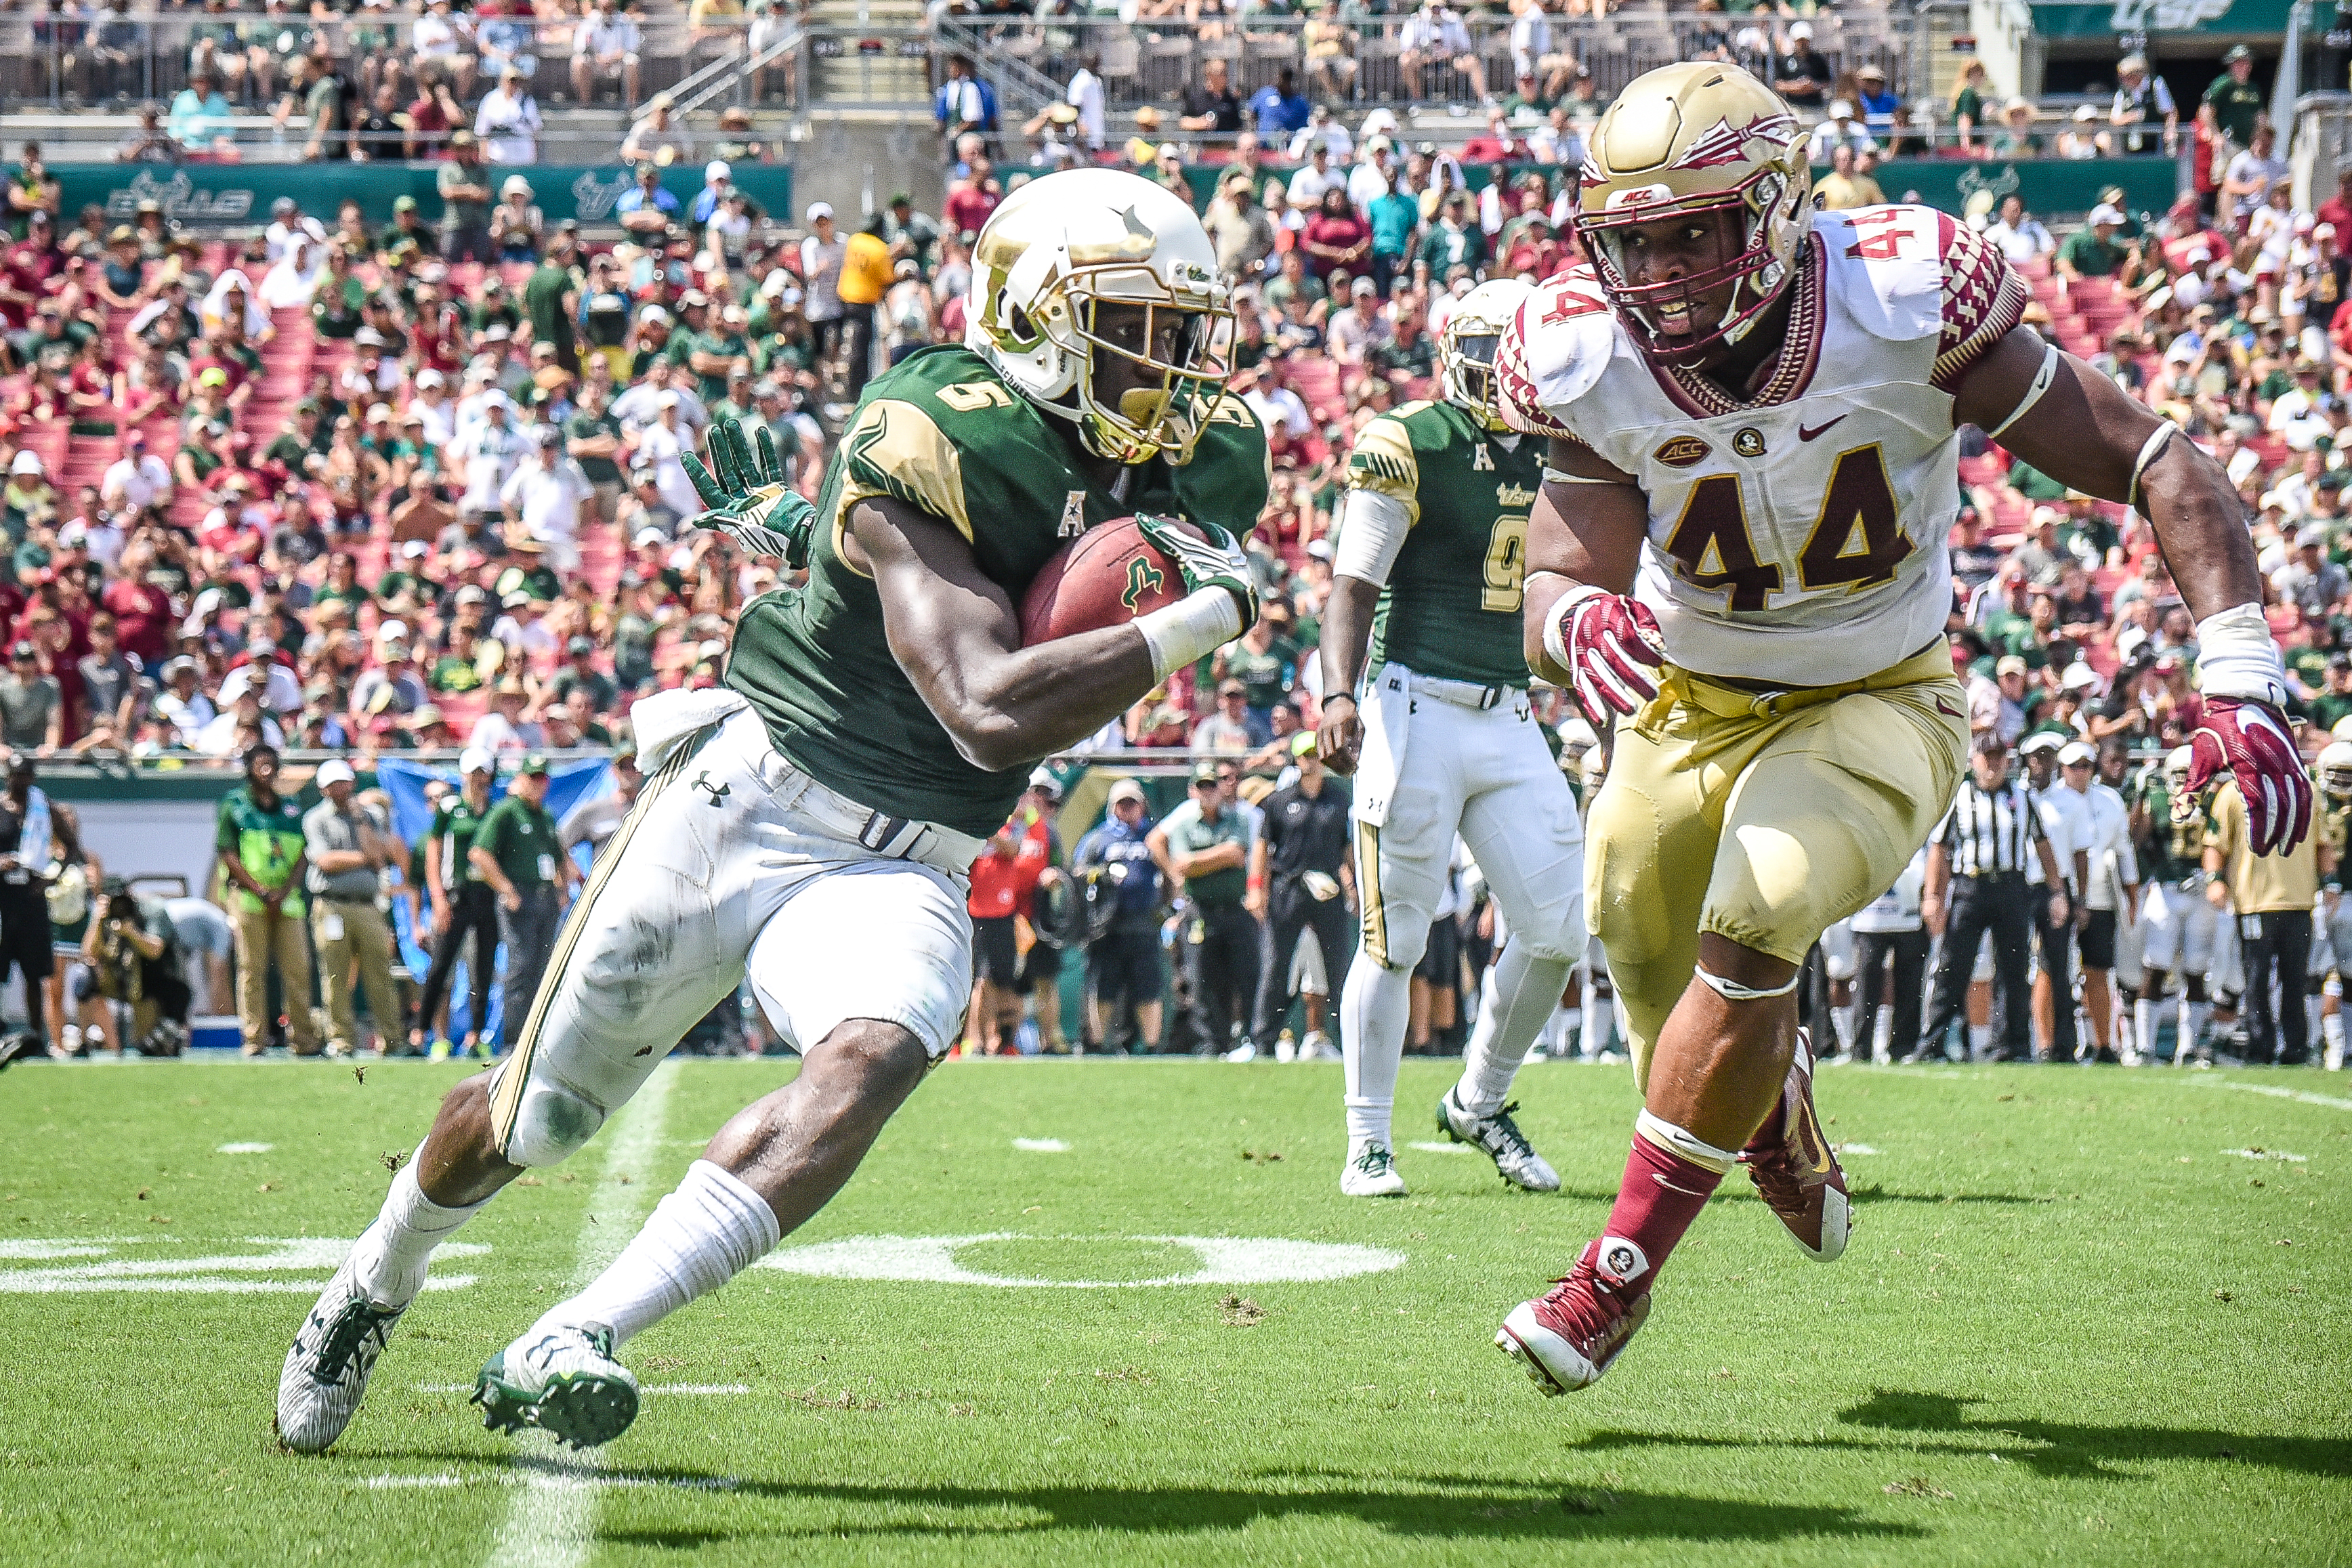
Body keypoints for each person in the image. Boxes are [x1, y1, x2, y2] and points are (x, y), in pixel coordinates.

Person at [276, 168, 1267, 1456]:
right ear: (1035, 319)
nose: (1175, 366)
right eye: (1140, 328)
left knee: (875, 1057)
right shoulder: (937, 421)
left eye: (1185, 332)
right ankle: (372, 1280)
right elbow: (983, 700)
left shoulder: (1198, 452)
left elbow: (1039, 578)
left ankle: (575, 1333)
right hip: (753, 802)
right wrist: (1201, 616)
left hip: (912, 852)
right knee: (531, 1121)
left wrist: (806, 538)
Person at [1493, 62, 2310, 1396]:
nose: (1658, 275)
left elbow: (2151, 455)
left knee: (1754, 918)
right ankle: (1772, 1101)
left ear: (1768, 215)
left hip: (1876, 690)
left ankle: (1608, 1285)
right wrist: (1573, 622)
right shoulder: (1585, 347)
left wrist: (2238, 670)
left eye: (1689, 233)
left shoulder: (1899, 295)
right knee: (1642, 942)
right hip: (1682, 703)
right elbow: (1557, 578)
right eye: (1630, 242)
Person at [1318, 278, 1582, 1197]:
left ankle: (1479, 1098)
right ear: (1452, 353)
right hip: (1412, 704)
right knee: (1393, 939)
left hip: (1510, 711)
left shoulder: (1568, 446)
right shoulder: (1411, 442)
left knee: (1558, 929)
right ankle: (1367, 1140)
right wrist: (1334, 695)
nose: (1505, 370)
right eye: (1489, 349)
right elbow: (1352, 585)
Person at [2206, 774, 2324, 1064]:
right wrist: (2214, 879)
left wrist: (2330, 881)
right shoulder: (2234, 791)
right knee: (2256, 979)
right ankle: (2261, 1046)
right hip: (2253, 900)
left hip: (2300, 898)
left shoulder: (2308, 789)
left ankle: (2296, 1046)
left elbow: (2323, 843)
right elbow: (2215, 842)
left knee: (2296, 980)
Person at [1248, 733, 1352, 1062]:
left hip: (1328, 891)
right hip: (1288, 888)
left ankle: (1344, 1041)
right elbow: (1263, 847)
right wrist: (1256, 888)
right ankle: (1262, 1042)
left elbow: (1347, 848)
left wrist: (1356, 887)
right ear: (1296, 759)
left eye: (1315, 755)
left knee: (1337, 968)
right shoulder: (1279, 802)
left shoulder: (1338, 801)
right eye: (1305, 756)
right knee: (1276, 966)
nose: (1310, 761)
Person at [215, 742, 320, 1057]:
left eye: (271, 763)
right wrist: (260, 890)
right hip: (249, 899)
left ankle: (304, 1038)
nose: (267, 769)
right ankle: (254, 1039)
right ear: (248, 768)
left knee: (298, 967)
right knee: (251, 969)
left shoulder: (290, 806)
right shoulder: (235, 804)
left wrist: (285, 890)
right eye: (260, 763)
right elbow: (227, 854)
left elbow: (303, 853)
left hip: (287, 900)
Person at [1150, 763, 1261, 1057]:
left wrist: (1199, 863)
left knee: (1245, 975)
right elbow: (1182, 863)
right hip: (1200, 911)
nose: (1209, 792)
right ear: (1193, 790)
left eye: (1213, 786)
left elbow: (1237, 852)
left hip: (1235, 909)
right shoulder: (1186, 822)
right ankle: (1212, 1043)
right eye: (1203, 786)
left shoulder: (1237, 818)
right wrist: (1216, 858)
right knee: (1203, 979)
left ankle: (1250, 1038)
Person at [467, 753, 574, 1054]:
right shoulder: (507, 812)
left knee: (543, 969)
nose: (538, 785)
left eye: (542, 779)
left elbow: (559, 855)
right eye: (533, 778)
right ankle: (514, 1041)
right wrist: (506, 889)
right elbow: (479, 853)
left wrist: (562, 886)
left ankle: (538, 1040)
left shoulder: (545, 816)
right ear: (521, 780)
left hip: (545, 897)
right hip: (520, 897)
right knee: (521, 967)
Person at [304, 757, 404, 1059]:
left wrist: (360, 822)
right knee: (334, 974)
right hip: (331, 904)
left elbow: (381, 855)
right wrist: (364, 858)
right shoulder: (316, 818)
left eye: (344, 782)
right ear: (323, 788)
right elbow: (325, 861)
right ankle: (341, 1040)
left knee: (380, 973)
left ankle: (392, 1039)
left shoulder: (369, 816)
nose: (340, 788)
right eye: (334, 783)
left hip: (368, 905)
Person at [2133, 744, 2218, 1063]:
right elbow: (2136, 839)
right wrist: (2141, 800)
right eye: (2179, 775)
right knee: (2155, 966)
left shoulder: (2213, 801)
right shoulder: (2156, 799)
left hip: (2200, 893)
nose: (2184, 782)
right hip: (2166, 889)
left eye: (2189, 775)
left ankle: (2189, 1048)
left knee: (2196, 971)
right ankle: (2144, 1048)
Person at [414, 746, 499, 1058]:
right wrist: (437, 896)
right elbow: (433, 851)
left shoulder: (494, 810)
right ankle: (421, 1033)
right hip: (455, 895)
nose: (477, 778)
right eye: (473, 772)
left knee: (482, 968)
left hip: (485, 895)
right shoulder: (450, 808)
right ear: (464, 774)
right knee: (441, 966)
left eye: (482, 772)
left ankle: (476, 1036)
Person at [1074, 778, 1167, 1054]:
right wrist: (1100, 876)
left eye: (1132, 804)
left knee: (1148, 988)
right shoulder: (1098, 838)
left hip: (1144, 922)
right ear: (1112, 807)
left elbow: (1170, 872)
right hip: (1106, 926)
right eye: (1122, 804)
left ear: (1142, 806)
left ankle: (1152, 1046)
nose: (1127, 810)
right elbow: (1078, 873)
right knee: (1103, 987)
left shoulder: (1153, 836)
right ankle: (1097, 1043)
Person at [2059, 738, 2137, 1061]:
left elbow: (2124, 851)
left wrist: (2132, 894)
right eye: (2074, 766)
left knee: (2099, 970)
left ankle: (2102, 1044)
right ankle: (2055, 1043)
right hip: (2061, 894)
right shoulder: (2049, 801)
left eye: (2086, 766)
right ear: (2063, 769)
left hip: (2101, 894)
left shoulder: (2110, 800)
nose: (2080, 772)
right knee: (2055, 970)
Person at [75, 878, 191, 1058]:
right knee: (83, 977)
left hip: (152, 984)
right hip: (118, 978)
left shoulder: (151, 909)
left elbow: (155, 950)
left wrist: (132, 932)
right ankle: (87, 1045)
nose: (119, 906)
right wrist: (98, 921)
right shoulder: (102, 914)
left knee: (148, 1049)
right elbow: (88, 953)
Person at [1848, 847, 1929, 1064]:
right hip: (1871, 917)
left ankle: (1904, 1045)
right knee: (1866, 983)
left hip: (1911, 912)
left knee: (1910, 984)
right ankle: (1861, 1047)